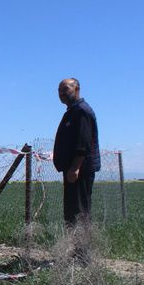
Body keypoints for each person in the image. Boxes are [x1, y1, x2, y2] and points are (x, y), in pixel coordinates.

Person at [53, 78, 100, 228]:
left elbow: (83, 143)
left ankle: (82, 250)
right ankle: (74, 249)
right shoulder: (72, 111)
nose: (61, 93)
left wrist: (75, 168)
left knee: (80, 212)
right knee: (72, 212)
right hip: (72, 170)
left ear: (77, 89)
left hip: (80, 171)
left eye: (65, 89)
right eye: (59, 91)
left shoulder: (81, 111)